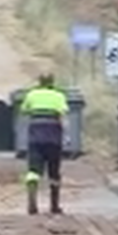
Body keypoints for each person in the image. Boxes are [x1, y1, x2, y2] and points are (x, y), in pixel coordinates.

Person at [19, 74, 68, 214]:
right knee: (54, 170)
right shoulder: (59, 95)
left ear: (39, 81)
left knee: (33, 169)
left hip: (35, 134)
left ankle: (32, 197)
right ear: (52, 82)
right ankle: (54, 205)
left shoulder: (32, 94)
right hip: (53, 135)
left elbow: (24, 110)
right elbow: (63, 115)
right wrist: (67, 136)